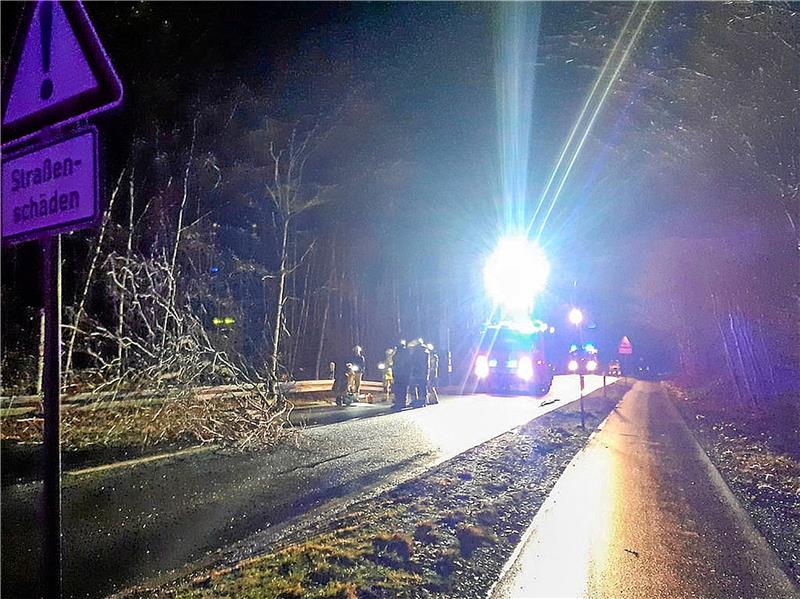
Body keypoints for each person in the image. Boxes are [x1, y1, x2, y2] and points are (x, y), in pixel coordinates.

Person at [409, 339, 430, 408]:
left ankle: (417, 401)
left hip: (416, 372)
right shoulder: (425, 352)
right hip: (421, 372)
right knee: (422, 387)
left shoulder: (415, 352)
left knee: (415, 387)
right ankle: (422, 401)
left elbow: (412, 362)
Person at [392, 340, 409, 409]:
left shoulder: (402, 353)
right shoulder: (401, 352)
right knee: (400, 389)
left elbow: (400, 363)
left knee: (400, 389)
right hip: (400, 373)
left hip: (401, 374)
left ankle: (400, 403)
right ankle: (400, 402)